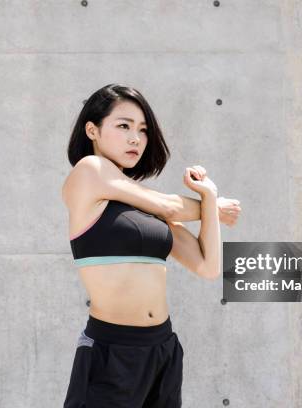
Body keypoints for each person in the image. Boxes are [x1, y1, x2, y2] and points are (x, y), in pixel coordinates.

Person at [62, 84, 241, 407]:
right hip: (113, 351)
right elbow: (171, 207)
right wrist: (213, 207)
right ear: (93, 130)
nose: (136, 138)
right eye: (123, 126)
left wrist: (211, 196)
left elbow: (208, 266)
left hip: (163, 348)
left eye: (143, 130)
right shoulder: (89, 171)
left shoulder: (147, 210)